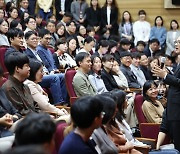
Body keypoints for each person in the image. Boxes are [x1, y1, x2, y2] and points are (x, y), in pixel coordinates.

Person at [151, 36, 180, 151]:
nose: (176, 44)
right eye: (176, 41)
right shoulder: (178, 62)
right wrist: (167, 75)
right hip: (174, 109)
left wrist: (166, 76)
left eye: (179, 42)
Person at [36, 28, 68, 104]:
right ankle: (58, 103)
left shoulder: (49, 50)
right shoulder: (39, 49)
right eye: (46, 38)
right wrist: (52, 71)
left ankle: (65, 101)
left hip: (51, 72)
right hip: (44, 73)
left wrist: (55, 69)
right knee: (55, 77)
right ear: (40, 38)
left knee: (64, 76)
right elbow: (45, 64)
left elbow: (53, 64)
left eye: (50, 39)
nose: (48, 41)